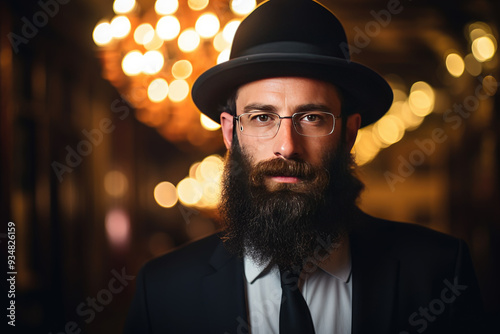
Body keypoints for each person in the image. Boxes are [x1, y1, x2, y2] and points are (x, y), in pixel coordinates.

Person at [124, 0, 484, 333]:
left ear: (348, 132)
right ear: (231, 132)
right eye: (263, 117)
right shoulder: (162, 291)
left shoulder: (438, 273)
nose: (287, 147)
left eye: (312, 117)